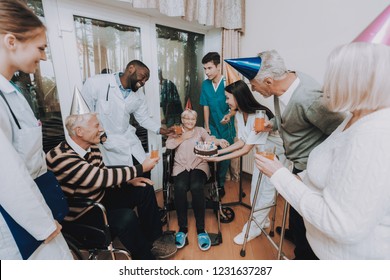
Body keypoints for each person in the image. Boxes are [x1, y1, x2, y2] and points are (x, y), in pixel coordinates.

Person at [255, 41, 390, 259]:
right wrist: (301, 177)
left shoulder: (373, 135)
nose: (326, 85)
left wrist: (279, 174)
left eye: (334, 76)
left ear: (357, 82)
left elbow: (343, 224)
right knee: (298, 232)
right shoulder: (355, 118)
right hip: (313, 225)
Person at [226, 51, 345, 259]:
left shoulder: (308, 97)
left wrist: (315, 168)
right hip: (296, 163)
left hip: (310, 167)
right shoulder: (285, 85)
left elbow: (340, 133)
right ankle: (294, 234)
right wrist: (271, 125)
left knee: (303, 217)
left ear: (269, 81)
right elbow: (289, 118)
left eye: (253, 85)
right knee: (293, 210)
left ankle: (302, 257)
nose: (252, 89)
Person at [46, 109, 177, 259]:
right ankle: (145, 258)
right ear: (79, 131)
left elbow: (103, 171)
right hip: (82, 213)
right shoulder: (60, 157)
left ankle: (153, 240)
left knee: (144, 188)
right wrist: (140, 168)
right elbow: (97, 177)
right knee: (126, 217)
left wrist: (129, 180)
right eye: (96, 126)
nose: (101, 129)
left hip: (98, 197)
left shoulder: (91, 148)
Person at [0, 0, 71, 260]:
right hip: (19, 221)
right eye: (40, 48)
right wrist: (43, 225)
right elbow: (6, 175)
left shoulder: (12, 92)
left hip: (37, 204)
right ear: (11, 41)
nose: (43, 56)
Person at [205, 80, 285, 245]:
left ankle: (251, 230)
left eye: (228, 98)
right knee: (255, 191)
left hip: (276, 159)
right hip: (261, 156)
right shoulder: (240, 115)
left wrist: (217, 158)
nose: (226, 102)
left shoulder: (260, 115)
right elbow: (241, 141)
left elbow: (245, 149)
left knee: (265, 195)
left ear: (238, 97)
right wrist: (217, 151)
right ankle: (263, 220)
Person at [81, 60, 174, 169]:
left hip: (129, 139)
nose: (143, 82)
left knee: (144, 169)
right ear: (131, 69)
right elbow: (84, 114)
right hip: (108, 142)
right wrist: (101, 137)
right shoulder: (96, 83)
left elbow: (143, 119)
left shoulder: (139, 96)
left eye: (146, 80)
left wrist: (164, 131)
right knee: (122, 179)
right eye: (142, 77)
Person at [165, 109, 229, 251]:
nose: (189, 121)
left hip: (199, 165)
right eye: (186, 118)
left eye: (192, 119)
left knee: (196, 187)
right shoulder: (176, 130)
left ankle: (201, 229)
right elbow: (169, 146)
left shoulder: (200, 130)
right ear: (182, 120)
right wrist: (182, 137)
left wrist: (219, 141)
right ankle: (183, 229)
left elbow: (210, 140)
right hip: (180, 166)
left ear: (196, 120)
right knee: (180, 187)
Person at [200, 52, 236, 197]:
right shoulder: (205, 84)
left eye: (209, 68)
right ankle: (211, 180)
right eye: (205, 69)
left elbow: (236, 106)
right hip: (213, 126)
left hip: (227, 127)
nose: (207, 72)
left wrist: (229, 115)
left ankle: (220, 184)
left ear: (218, 66)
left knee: (226, 156)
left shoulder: (228, 82)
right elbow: (205, 105)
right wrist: (207, 126)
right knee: (210, 153)